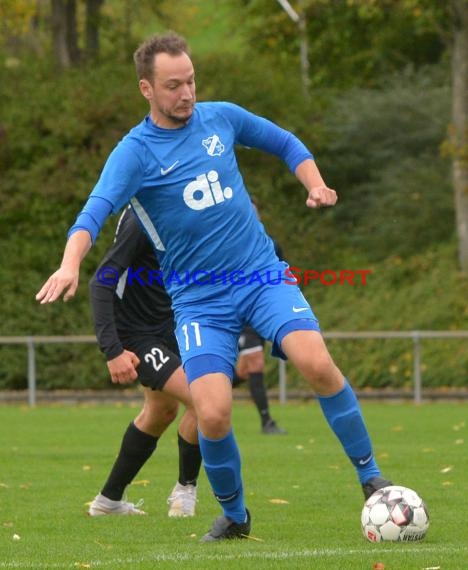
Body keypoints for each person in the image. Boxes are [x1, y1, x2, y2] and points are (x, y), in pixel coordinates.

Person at [36, 31, 393, 542]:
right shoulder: (134, 153)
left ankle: (371, 478)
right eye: (173, 85)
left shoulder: (220, 117)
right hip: (199, 301)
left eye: (191, 82)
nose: (187, 94)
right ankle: (234, 515)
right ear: (146, 89)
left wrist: (313, 182)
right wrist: (71, 263)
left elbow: (284, 143)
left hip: (259, 274)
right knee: (213, 412)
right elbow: (93, 213)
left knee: (315, 361)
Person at [87, 206, 202, 517]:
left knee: (161, 411)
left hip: (171, 325)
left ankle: (108, 502)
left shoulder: (188, 211)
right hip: (138, 335)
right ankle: (185, 489)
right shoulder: (141, 220)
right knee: (206, 401)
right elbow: (101, 283)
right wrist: (113, 350)